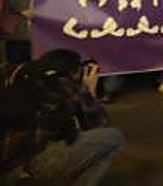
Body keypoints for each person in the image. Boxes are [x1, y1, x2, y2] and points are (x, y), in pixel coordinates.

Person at [0, 49, 124, 185]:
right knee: (113, 137)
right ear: (74, 71)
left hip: (7, 162)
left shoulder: (18, 74)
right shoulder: (62, 84)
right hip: (23, 168)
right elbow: (99, 125)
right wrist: (89, 92)